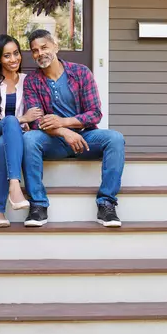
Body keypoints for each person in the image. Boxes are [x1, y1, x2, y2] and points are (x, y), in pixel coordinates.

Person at [22, 29, 125, 228]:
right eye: (35, 51)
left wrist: (64, 122)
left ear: (55, 46)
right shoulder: (32, 81)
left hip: (86, 138)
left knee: (115, 138)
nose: (40, 53)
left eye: (44, 47)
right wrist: (63, 132)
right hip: (53, 141)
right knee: (29, 138)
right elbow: (36, 121)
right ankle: (38, 205)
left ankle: (106, 204)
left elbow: (94, 113)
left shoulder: (80, 72)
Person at [0, 34, 43, 228]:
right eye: (7, 56)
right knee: (10, 123)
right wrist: (20, 119)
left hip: (12, 141)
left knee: (3, 143)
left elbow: (36, 115)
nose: (13, 59)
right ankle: (14, 186)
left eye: (16, 53)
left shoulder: (28, 81)